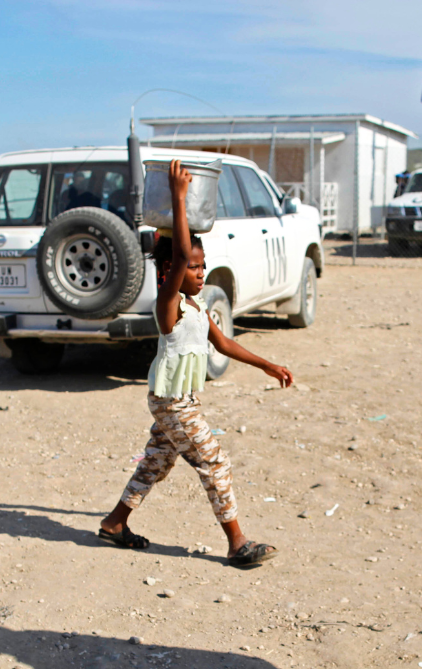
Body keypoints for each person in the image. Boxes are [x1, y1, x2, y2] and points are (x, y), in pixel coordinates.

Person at [99, 161, 293, 567]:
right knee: (215, 461)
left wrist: (267, 365)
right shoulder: (167, 303)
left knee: (155, 462)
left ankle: (116, 522)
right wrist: (179, 198)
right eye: (192, 266)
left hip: (178, 400)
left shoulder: (194, 305)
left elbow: (223, 343)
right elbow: (181, 249)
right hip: (173, 403)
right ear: (170, 271)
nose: (200, 272)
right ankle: (237, 543)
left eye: (203, 266)